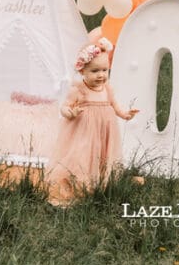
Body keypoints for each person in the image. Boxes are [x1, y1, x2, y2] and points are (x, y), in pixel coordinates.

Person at [46, 38, 139, 206]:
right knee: (84, 156)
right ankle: (82, 184)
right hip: (85, 132)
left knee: (103, 155)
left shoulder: (107, 88)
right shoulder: (79, 89)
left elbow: (114, 104)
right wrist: (70, 112)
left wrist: (125, 114)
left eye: (105, 70)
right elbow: (64, 107)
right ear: (83, 71)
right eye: (95, 71)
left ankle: (101, 184)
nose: (101, 75)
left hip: (106, 130)